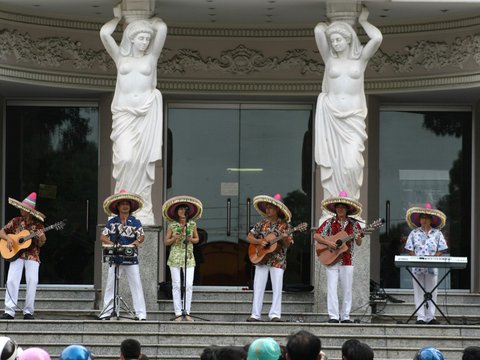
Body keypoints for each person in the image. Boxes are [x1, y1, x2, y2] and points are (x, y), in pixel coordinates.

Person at [100, 4, 167, 225]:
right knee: (126, 159)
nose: (145, 42)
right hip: (124, 115)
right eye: (141, 38)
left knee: (142, 162)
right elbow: (105, 34)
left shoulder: (151, 59)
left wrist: (155, 24)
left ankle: (142, 207)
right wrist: (119, 18)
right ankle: (121, 203)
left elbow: (163, 30)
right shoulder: (121, 58)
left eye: (147, 39)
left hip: (146, 112)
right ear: (131, 38)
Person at [314, 6, 382, 201]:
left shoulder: (360, 60)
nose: (335, 43)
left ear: (348, 39)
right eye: (333, 40)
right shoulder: (329, 60)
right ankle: (333, 207)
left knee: (351, 164)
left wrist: (363, 22)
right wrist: (330, 24)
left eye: (338, 39)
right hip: (331, 116)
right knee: (334, 166)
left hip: (353, 119)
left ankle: (350, 205)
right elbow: (318, 31)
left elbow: (377, 39)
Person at [314, 191, 363, 323]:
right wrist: (329, 242)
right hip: (331, 258)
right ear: (335, 209)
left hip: (347, 259)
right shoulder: (329, 222)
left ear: (347, 209)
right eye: (338, 207)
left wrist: (357, 238)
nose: (340, 209)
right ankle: (334, 316)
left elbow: (359, 242)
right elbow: (317, 236)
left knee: (347, 289)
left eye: (342, 207)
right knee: (331, 288)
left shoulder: (354, 224)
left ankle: (345, 316)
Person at [99, 190, 147, 321]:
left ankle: (141, 313)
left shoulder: (135, 221)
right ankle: (107, 312)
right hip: (115, 257)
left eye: (127, 204)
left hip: (131, 257)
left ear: (130, 207)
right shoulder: (112, 221)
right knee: (110, 285)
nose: (125, 206)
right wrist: (113, 244)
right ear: (118, 207)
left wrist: (135, 243)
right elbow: (103, 236)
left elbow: (142, 236)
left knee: (136, 284)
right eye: (122, 204)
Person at [247, 194, 293, 322]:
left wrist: (284, 239)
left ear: (277, 209)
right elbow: (249, 237)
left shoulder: (285, 226)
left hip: (278, 259)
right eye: (267, 207)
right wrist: (259, 241)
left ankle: (275, 315)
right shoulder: (261, 223)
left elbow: (288, 244)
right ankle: (255, 315)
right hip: (261, 258)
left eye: (271, 208)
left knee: (277, 287)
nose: (268, 210)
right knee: (258, 287)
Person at [0, 192, 46, 320]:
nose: (21, 210)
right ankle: (9, 311)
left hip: (32, 255)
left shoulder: (38, 225)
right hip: (17, 254)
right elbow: (1, 232)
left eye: (23, 209)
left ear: (29, 211)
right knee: (11, 280)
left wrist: (42, 237)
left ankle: (28, 312)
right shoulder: (15, 221)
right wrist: (8, 239)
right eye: (21, 208)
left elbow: (41, 244)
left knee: (32, 281)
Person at [404, 203, 448, 325]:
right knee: (418, 291)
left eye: (426, 218)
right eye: (422, 217)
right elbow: (409, 249)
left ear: (431, 220)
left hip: (432, 267)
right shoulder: (414, 233)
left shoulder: (437, 233)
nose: (424, 220)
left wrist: (434, 258)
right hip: (417, 267)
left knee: (432, 291)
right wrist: (415, 259)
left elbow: (442, 249)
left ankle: (430, 317)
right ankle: (421, 317)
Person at [162, 196, 202, 321]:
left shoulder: (192, 224)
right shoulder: (172, 225)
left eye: (184, 209)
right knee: (176, 285)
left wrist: (190, 239)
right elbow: (166, 242)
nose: (182, 212)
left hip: (188, 256)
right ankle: (178, 312)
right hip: (175, 256)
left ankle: (187, 311)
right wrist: (174, 238)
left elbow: (197, 239)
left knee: (189, 284)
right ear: (176, 212)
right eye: (180, 210)